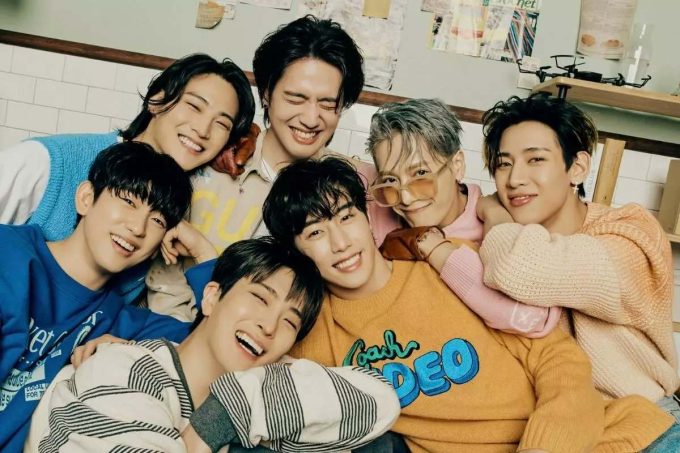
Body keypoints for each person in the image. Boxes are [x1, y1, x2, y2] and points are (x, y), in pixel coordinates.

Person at [187, 157, 676, 453]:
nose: (340, 243)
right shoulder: (314, 332)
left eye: (346, 218)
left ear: (366, 217)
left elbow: (560, 361)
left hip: (624, 438)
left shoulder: (449, 266)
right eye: (315, 232)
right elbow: (232, 356)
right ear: (298, 249)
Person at [25, 237, 400, 452]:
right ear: (211, 297)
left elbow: (381, 400)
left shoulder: (260, 384)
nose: (268, 326)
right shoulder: (123, 369)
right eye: (260, 298)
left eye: (289, 321)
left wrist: (221, 415)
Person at [0, 142, 220, 452]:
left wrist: (203, 253)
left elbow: (217, 341)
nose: (137, 228)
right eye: (129, 201)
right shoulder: (9, 253)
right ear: (86, 198)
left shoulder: (124, 323)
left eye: (158, 220)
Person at [146, 14, 366, 321]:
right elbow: (164, 287)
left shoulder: (344, 189)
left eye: (328, 104)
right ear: (266, 94)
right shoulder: (209, 161)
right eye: (296, 98)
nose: (311, 119)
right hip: (169, 332)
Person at [475, 93, 680, 415]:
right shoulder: (499, 239)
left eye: (535, 159)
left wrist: (493, 211)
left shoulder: (631, 232)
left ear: (578, 167)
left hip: (643, 418)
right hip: (554, 421)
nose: (514, 180)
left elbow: (522, 267)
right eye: (504, 164)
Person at [0, 53, 256, 303]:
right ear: (156, 100)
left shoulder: (179, 202)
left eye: (222, 124)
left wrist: (200, 248)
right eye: (194, 106)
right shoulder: (47, 161)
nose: (202, 130)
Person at [366, 98, 561, 337]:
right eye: (390, 180)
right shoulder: (375, 208)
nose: (405, 198)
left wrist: (435, 247)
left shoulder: (500, 226)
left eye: (420, 174)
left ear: (457, 165)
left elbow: (533, 318)